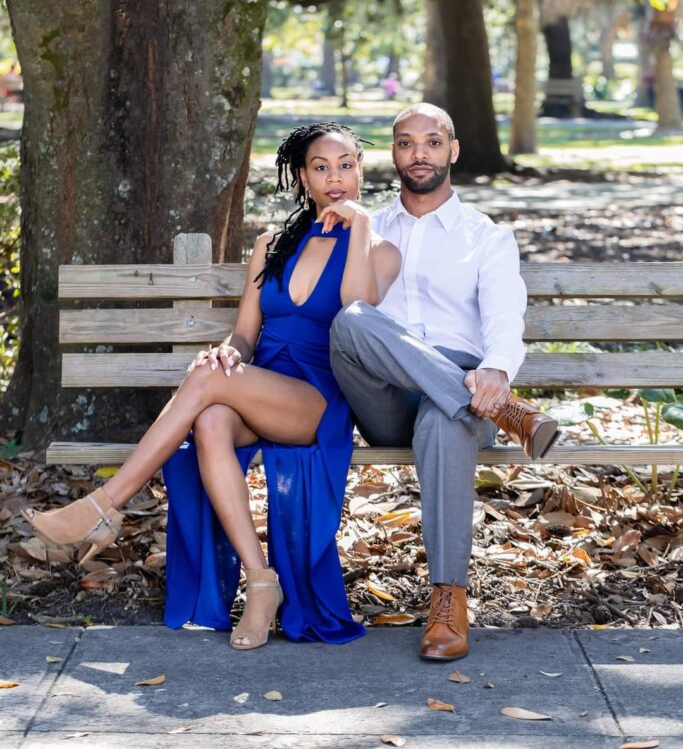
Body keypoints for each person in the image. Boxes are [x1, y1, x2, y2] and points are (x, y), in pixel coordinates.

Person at [23, 122, 400, 651]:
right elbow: (247, 333)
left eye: (346, 165)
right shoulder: (273, 243)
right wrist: (230, 354)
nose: (335, 178)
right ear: (302, 176)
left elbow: (356, 316)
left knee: (206, 384)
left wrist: (359, 225)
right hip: (259, 386)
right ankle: (260, 580)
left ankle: (104, 506)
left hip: (316, 398)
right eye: (321, 167)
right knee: (210, 418)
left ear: (361, 171)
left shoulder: (381, 250)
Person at [330, 103, 558, 662]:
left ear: (452, 151)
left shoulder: (486, 237)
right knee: (351, 320)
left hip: (464, 398)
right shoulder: (368, 227)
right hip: (386, 396)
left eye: (432, 142)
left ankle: (448, 603)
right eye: (406, 143)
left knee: (445, 418)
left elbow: (505, 318)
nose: (419, 153)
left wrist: (497, 372)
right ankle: (511, 415)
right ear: (394, 154)